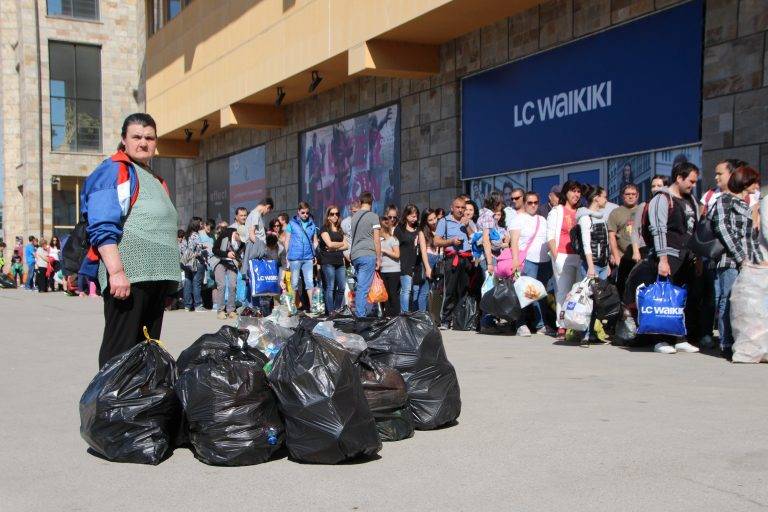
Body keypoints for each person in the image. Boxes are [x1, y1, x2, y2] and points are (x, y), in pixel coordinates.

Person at [81, 113, 179, 367]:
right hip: (129, 278)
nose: (143, 143)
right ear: (124, 140)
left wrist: (169, 285)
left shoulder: (154, 179)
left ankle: (137, 406)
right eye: (136, 137)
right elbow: (102, 225)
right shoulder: (115, 170)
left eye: (149, 137)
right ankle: (109, 405)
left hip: (155, 279)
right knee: (120, 354)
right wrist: (116, 272)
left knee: (146, 354)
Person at [646, 162, 701, 355]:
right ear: (679, 177)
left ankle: (680, 338)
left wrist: (697, 257)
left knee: (681, 299)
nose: (693, 185)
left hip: (687, 256)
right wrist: (662, 259)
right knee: (663, 299)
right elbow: (658, 230)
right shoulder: (661, 199)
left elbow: (695, 229)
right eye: (690, 181)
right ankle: (660, 340)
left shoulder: (691, 200)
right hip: (668, 255)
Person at [710, 166, 762, 360]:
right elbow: (723, 228)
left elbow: (750, 236)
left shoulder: (743, 203)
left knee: (737, 301)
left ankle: (737, 341)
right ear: (745, 182)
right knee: (727, 299)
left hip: (744, 261)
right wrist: (741, 256)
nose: (757, 186)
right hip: (729, 260)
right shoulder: (725, 199)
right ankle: (726, 342)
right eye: (754, 182)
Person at [509, 191, 553, 336]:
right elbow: (514, 241)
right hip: (528, 261)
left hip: (544, 261)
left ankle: (541, 324)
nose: (533, 205)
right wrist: (515, 261)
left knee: (541, 295)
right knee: (525, 294)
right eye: (530, 202)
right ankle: (520, 324)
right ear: (525, 203)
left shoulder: (542, 219)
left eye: (536, 202)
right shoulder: (518, 219)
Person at [547, 180, 582, 340]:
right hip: (562, 255)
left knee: (578, 293)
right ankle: (561, 325)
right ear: (566, 193)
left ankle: (576, 324)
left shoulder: (581, 212)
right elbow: (550, 236)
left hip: (579, 257)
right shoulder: (557, 211)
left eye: (578, 192)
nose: (576, 194)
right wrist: (555, 256)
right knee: (563, 291)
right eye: (573, 191)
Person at [434, 196, 476, 330]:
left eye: (463, 208)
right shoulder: (444, 221)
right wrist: (451, 242)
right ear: (452, 208)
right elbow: (436, 241)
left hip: (466, 258)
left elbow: (475, 238)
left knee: (464, 289)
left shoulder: (468, 221)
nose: (460, 210)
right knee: (450, 290)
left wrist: (467, 225)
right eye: (457, 207)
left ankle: (461, 320)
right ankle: (446, 320)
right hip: (452, 258)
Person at [349, 192, 382, 317]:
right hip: (367, 254)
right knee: (363, 288)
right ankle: (360, 317)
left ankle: (361, 313)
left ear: (361, 202)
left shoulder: (354, 217)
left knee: (360, 286)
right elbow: (377, 240)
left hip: (356, 255)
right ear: (371, 203)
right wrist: (379, 259)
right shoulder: (373, 216)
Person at [608, 184, 641, 298]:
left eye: (633, 194)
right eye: (628, 194)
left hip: (640, 258)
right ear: (623, 196)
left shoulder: (643, 210)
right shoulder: (616, 213)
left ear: (638, 196)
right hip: (623, 258)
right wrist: (616, 257)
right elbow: (611, 237)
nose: (631, 197)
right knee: (622, 290)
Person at [285, 201, 319, 312]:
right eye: (303, 212)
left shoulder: (312, 224)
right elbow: (287, 240)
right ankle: (292, 307)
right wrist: (287, 256)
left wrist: (315, 255)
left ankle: (313, 306)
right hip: (295, 257)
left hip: (308, 257)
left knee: (309, 282)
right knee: (294, 283)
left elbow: (314, 242)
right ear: (298, 212)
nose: (305, 215)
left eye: (307, 213)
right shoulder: (291, 224)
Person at [318, 205, 348, 314]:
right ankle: (331, 312)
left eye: (337, 214)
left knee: (341, 288)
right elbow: (329, 243)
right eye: (332, 214)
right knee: (330, 287)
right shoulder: (324, 229)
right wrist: (339, 245)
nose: (335, 216)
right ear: (328, 216)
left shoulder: (340, 229)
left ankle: (336, 309)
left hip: (339, 261)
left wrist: (334, 248)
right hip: (328, 262)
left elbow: (346, 245)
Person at [412, 208, 440, 312]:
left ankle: (428, 315)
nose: (434, 221)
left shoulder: (438, 229)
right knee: (424, 291)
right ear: (425, 221)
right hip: (428, 259)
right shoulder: (422, 232)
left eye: (435, 218)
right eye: (430, 220)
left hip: (437, 259)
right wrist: (427, 267)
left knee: (430, 291)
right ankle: (422, 317)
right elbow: (423, 251)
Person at [212, 227, 243, 320]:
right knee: (222, 285)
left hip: (232, 263)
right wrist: (227, 254)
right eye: (237, 234)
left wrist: (239, 243)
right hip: (220, 261)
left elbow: (239, 253)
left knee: (232, 285)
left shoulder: (241, 242)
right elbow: (215, 250)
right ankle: (220, 310)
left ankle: (231, 310)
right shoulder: (224, 235)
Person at [395, 204, 419, 312]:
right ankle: (404, 313)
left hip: (416, 263)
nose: (415, 219)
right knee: (406, 290)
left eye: (416, 216)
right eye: (413, 216)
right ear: (407, 216)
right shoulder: (400, 229)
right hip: (404, 263)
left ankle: (412, 312)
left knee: (415, 290)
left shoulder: (418, 229)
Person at [180, 217, 207, 312]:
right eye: (200, 223)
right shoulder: (196, 235)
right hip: (196, 263)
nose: (202, 225)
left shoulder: (186, 235)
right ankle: (198, 305)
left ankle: (187, 305)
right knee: (197, 283)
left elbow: (182, 249)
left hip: (186, 263)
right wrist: (202, 251)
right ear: (196, 224)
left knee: (187, 282)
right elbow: (199, 250)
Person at [379, 205, 402, 316]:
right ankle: (387, 315)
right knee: (386, 294)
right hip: (384, 270)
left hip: (393, 270)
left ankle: (396, 314)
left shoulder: (393, 239)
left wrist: (384, 250)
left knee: (393, 293)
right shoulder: (381, 240)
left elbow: (397, 255)